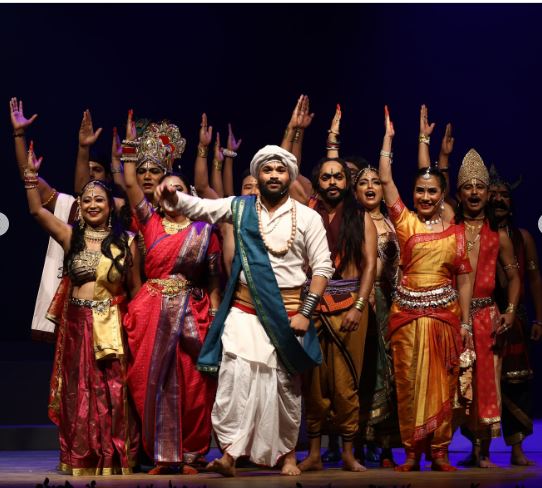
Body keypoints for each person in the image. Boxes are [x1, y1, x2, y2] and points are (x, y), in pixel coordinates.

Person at [156, 144, 334, 477]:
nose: (274, 175)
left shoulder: (308, 217)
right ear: (258, 175)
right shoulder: (240, 208)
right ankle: (230, 454)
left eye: (280, 170)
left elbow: (323, 266)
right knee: (235, 380)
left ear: (290, 176)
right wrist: (174, 198)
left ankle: (287, 455)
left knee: (283, 387)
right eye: (267, 170)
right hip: (243, 310)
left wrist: (306, 313)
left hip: (288, 313)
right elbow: (201, 207)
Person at [23, 142, 141, 475]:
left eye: (98, 199)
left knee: (112, 390)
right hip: (76, 324)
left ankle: (114, 457)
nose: (91, 205)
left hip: (113, 323)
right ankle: (81, 456)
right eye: (86, 200)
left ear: (110, 206)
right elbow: (37, 211)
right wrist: (31, 178)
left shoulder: (127, 241)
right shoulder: (69, 235)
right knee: (79, 391)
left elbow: (135, 289)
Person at [121, 121, 221, 475]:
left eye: (180, 188)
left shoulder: (204, 231)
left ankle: (191, 454)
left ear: (189, 195)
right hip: (152, 312)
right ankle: (163, 456)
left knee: (194, 384)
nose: (173, 193)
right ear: (160, 197)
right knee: (150, 381)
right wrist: (130, 144)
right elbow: (130, 183)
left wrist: (215, 314)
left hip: (194, 313)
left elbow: (213, 278)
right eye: (168, 188)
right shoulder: (149, 222)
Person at [379, 106, 473, 472]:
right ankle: (411, 453)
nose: (425, 196)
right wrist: (389, 139)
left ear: (443, 194)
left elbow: (463, 279)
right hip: (407, 315)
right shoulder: (405, 222)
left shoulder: (455, 233)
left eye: (432, 191)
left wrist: (464, 323)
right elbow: (386, 180)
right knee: (409, 383)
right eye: (420, 190)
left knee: (442, 385)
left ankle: (440, 453)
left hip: (445, 318)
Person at [294, 156, 376, 472]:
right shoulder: (307, 214)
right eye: (326, 177)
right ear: (318, 182)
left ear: (347, 181)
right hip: (312, 305)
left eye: (338, 176)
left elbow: (370, 265)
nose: (332, 182)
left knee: (346, 384)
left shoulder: (361, 217)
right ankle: (315, 454)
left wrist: (359, 305)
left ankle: (348, 454)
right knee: (313, 383)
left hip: (349, 306)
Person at [451, 150, 521, 468]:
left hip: (487, 319)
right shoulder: (449, 230)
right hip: (454, 316)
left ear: (487, 194)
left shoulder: (499, 236)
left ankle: (483, 451)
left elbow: (514, 277)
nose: (475, 192)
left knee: (486, 383)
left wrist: (510, 310)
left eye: (480, 187)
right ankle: (447, 447)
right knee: (456, 382)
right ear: (459, 193)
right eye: (469, 187)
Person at [489, 165, 542, 466]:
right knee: (480, 381)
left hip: (515, 319)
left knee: (517, 383)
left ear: (511, 202)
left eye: (504, 195)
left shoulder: (522, 238)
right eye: (493, 194)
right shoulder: (476, 234)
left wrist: (539, 318)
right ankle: (480, 450)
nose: (499, 199)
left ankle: (518, 449)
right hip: (484, 314)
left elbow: (534, 280)